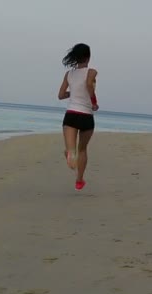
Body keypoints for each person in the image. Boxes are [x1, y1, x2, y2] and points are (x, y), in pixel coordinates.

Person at [57, 43, 99, 191]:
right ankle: (79, 180)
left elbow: (61, 95)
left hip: (71, 115)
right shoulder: (92, 72)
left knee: (71, 150)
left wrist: (72, 93)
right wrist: (94, 103)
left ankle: (69, 154)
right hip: (86, 115)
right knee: (82, 149)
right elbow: (88, 84)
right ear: (88, 57)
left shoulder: (69, 74)